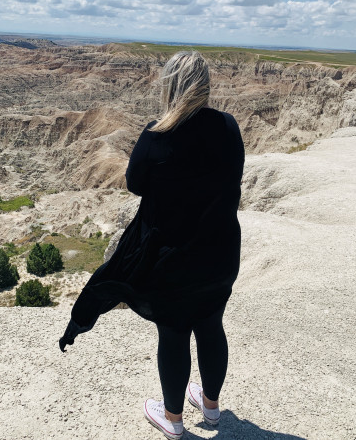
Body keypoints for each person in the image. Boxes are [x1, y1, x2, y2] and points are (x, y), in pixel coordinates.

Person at [59, 51, 245, 439]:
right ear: (204, 85)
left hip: (171, 257)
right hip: (220, 251)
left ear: (170, 86)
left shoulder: (157, 133)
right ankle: (211, 409)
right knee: (211, 324)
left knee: (174, 332)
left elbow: (136, 184)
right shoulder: (228, 127)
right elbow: (233, 176)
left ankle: (174, 420)